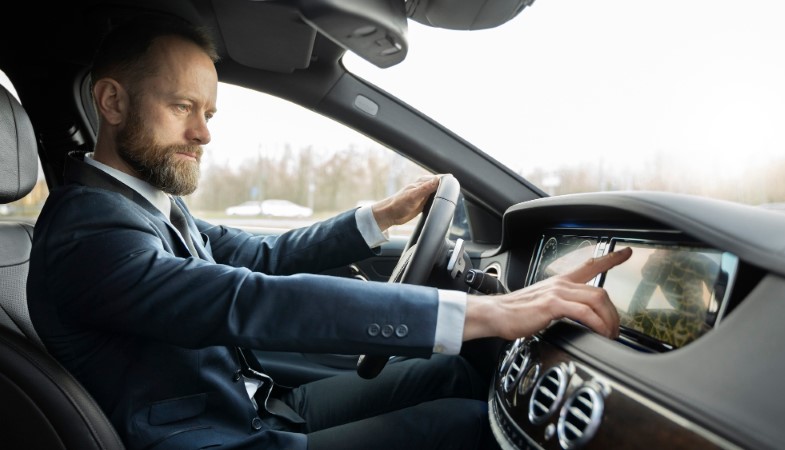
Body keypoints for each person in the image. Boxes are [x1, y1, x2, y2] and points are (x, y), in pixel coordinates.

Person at [27, 14, 632, 450]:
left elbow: (261, 254)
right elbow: (250, 300)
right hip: (219, 438)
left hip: (254, 407)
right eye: (183, 107)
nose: (204, 133)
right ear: (112, 102)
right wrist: (489, 311)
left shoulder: (146, 206)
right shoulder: (89, 232)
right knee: (468, 425)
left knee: (449, 375)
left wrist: (380, 217)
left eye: (208, 113)